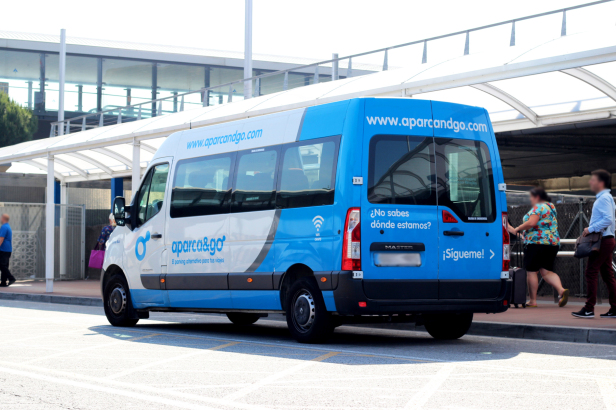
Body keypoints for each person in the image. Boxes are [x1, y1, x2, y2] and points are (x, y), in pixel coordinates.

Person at [508, 188, 569, 308]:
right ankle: (561, 290)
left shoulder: (538, 207)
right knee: (546, 272)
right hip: (552, 243)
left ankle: (532, 301)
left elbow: (532, 222)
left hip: (536, 243)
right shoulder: (551, 208)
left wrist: (517, 228)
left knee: (531, 271)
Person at [572, 169, 616, 318]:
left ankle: (589, 308)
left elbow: (608, 219)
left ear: (601, 183)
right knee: (607, 274)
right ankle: (614, 308)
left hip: (602, 240)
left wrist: (590, 229)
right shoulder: (607, 197)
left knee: (591, 272)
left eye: (593, 180)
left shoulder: (603, 198)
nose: (590, 182)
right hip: (607, 239)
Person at [0, 213, 16, 287]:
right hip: (8, 249)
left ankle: (11, 278)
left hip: (3, 249)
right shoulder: (8, 226)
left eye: (1, 218)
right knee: (4, 265)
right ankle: (3, 282)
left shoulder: (4, 227)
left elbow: (1, 238)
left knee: (2, 265)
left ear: (3, 219)